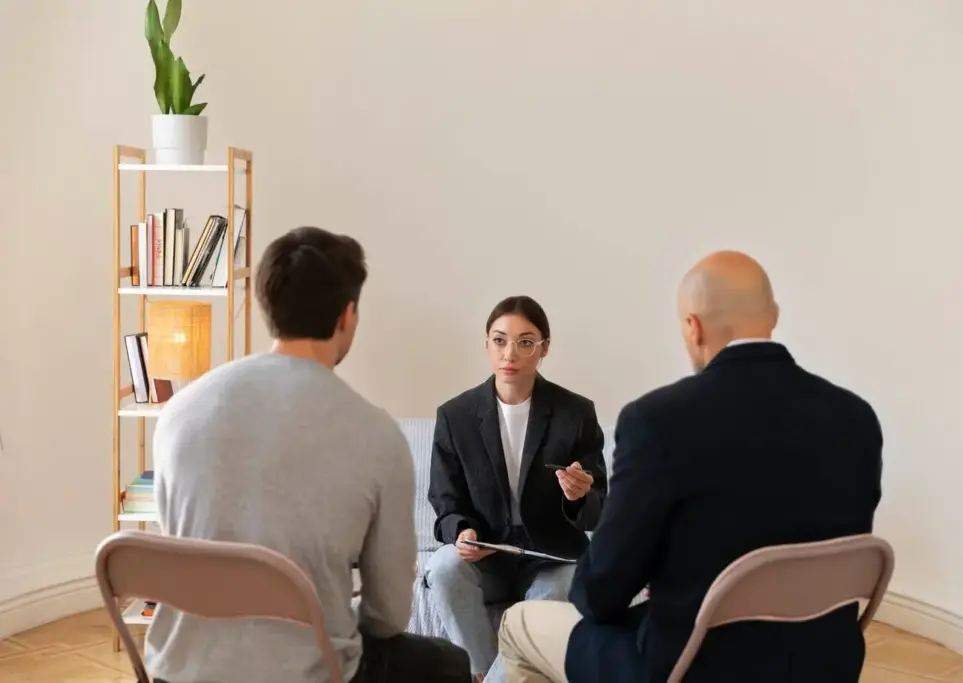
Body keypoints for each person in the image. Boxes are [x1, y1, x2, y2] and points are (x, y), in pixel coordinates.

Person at [496, 251, 884, 683]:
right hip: (822, 666)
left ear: (693, 327)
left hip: (693, 668)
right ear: (773, 315)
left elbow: (599, 595)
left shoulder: (658, 421)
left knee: (518, 624)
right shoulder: (856, 419)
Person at [145, 227, 471, 683]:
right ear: (347, 315)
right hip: (309, 673)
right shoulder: (377, 434)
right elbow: (388, 617)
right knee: (448, 664)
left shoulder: (178, 411)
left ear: (267, 306)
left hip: (180, 672)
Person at [426, 295, 609, 682]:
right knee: (442, 568)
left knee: (567, 585)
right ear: (487, 345)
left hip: (552, 559)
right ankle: (482, 672)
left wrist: (579, 497)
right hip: (486, 558)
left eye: (525, 342)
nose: (510, 354)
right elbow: (445, 501)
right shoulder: (455, 416)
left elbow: (598, 510)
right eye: (499, 341)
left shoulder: (576, 413)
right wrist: (462, 531)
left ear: (544, 348)